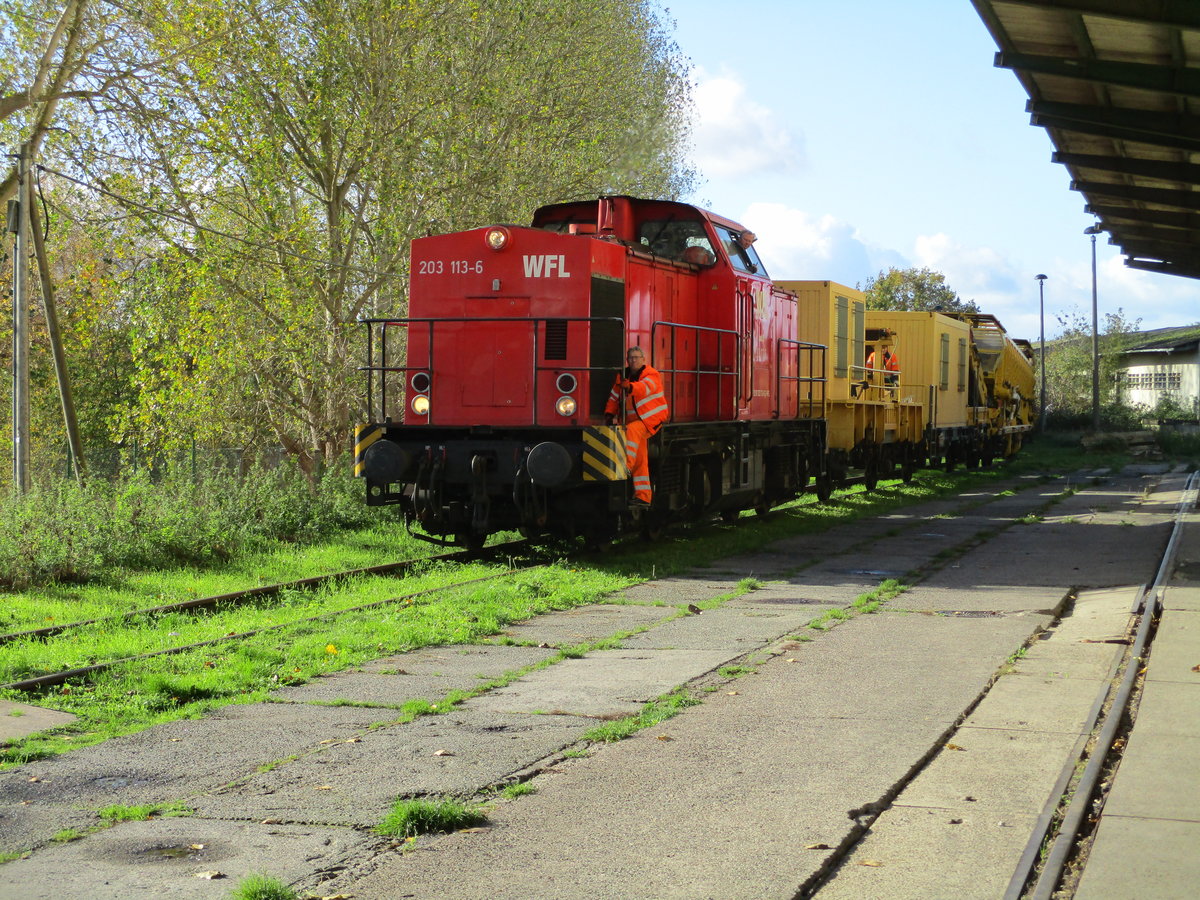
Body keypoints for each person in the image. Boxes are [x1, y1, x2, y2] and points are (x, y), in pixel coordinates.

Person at [604, 346, 670, 507]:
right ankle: (643, 496)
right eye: (630, 358)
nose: (633, 360)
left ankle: (626, 466)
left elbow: (645, 388)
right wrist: (609, 414)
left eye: (636, 357)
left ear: (643, 360)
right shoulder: (623, 376)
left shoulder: (651, 374)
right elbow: (614, 396)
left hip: (650, 419)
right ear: (627, 360)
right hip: (633, 420)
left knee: (632, 431)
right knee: (641, 458)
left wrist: (631, 387)